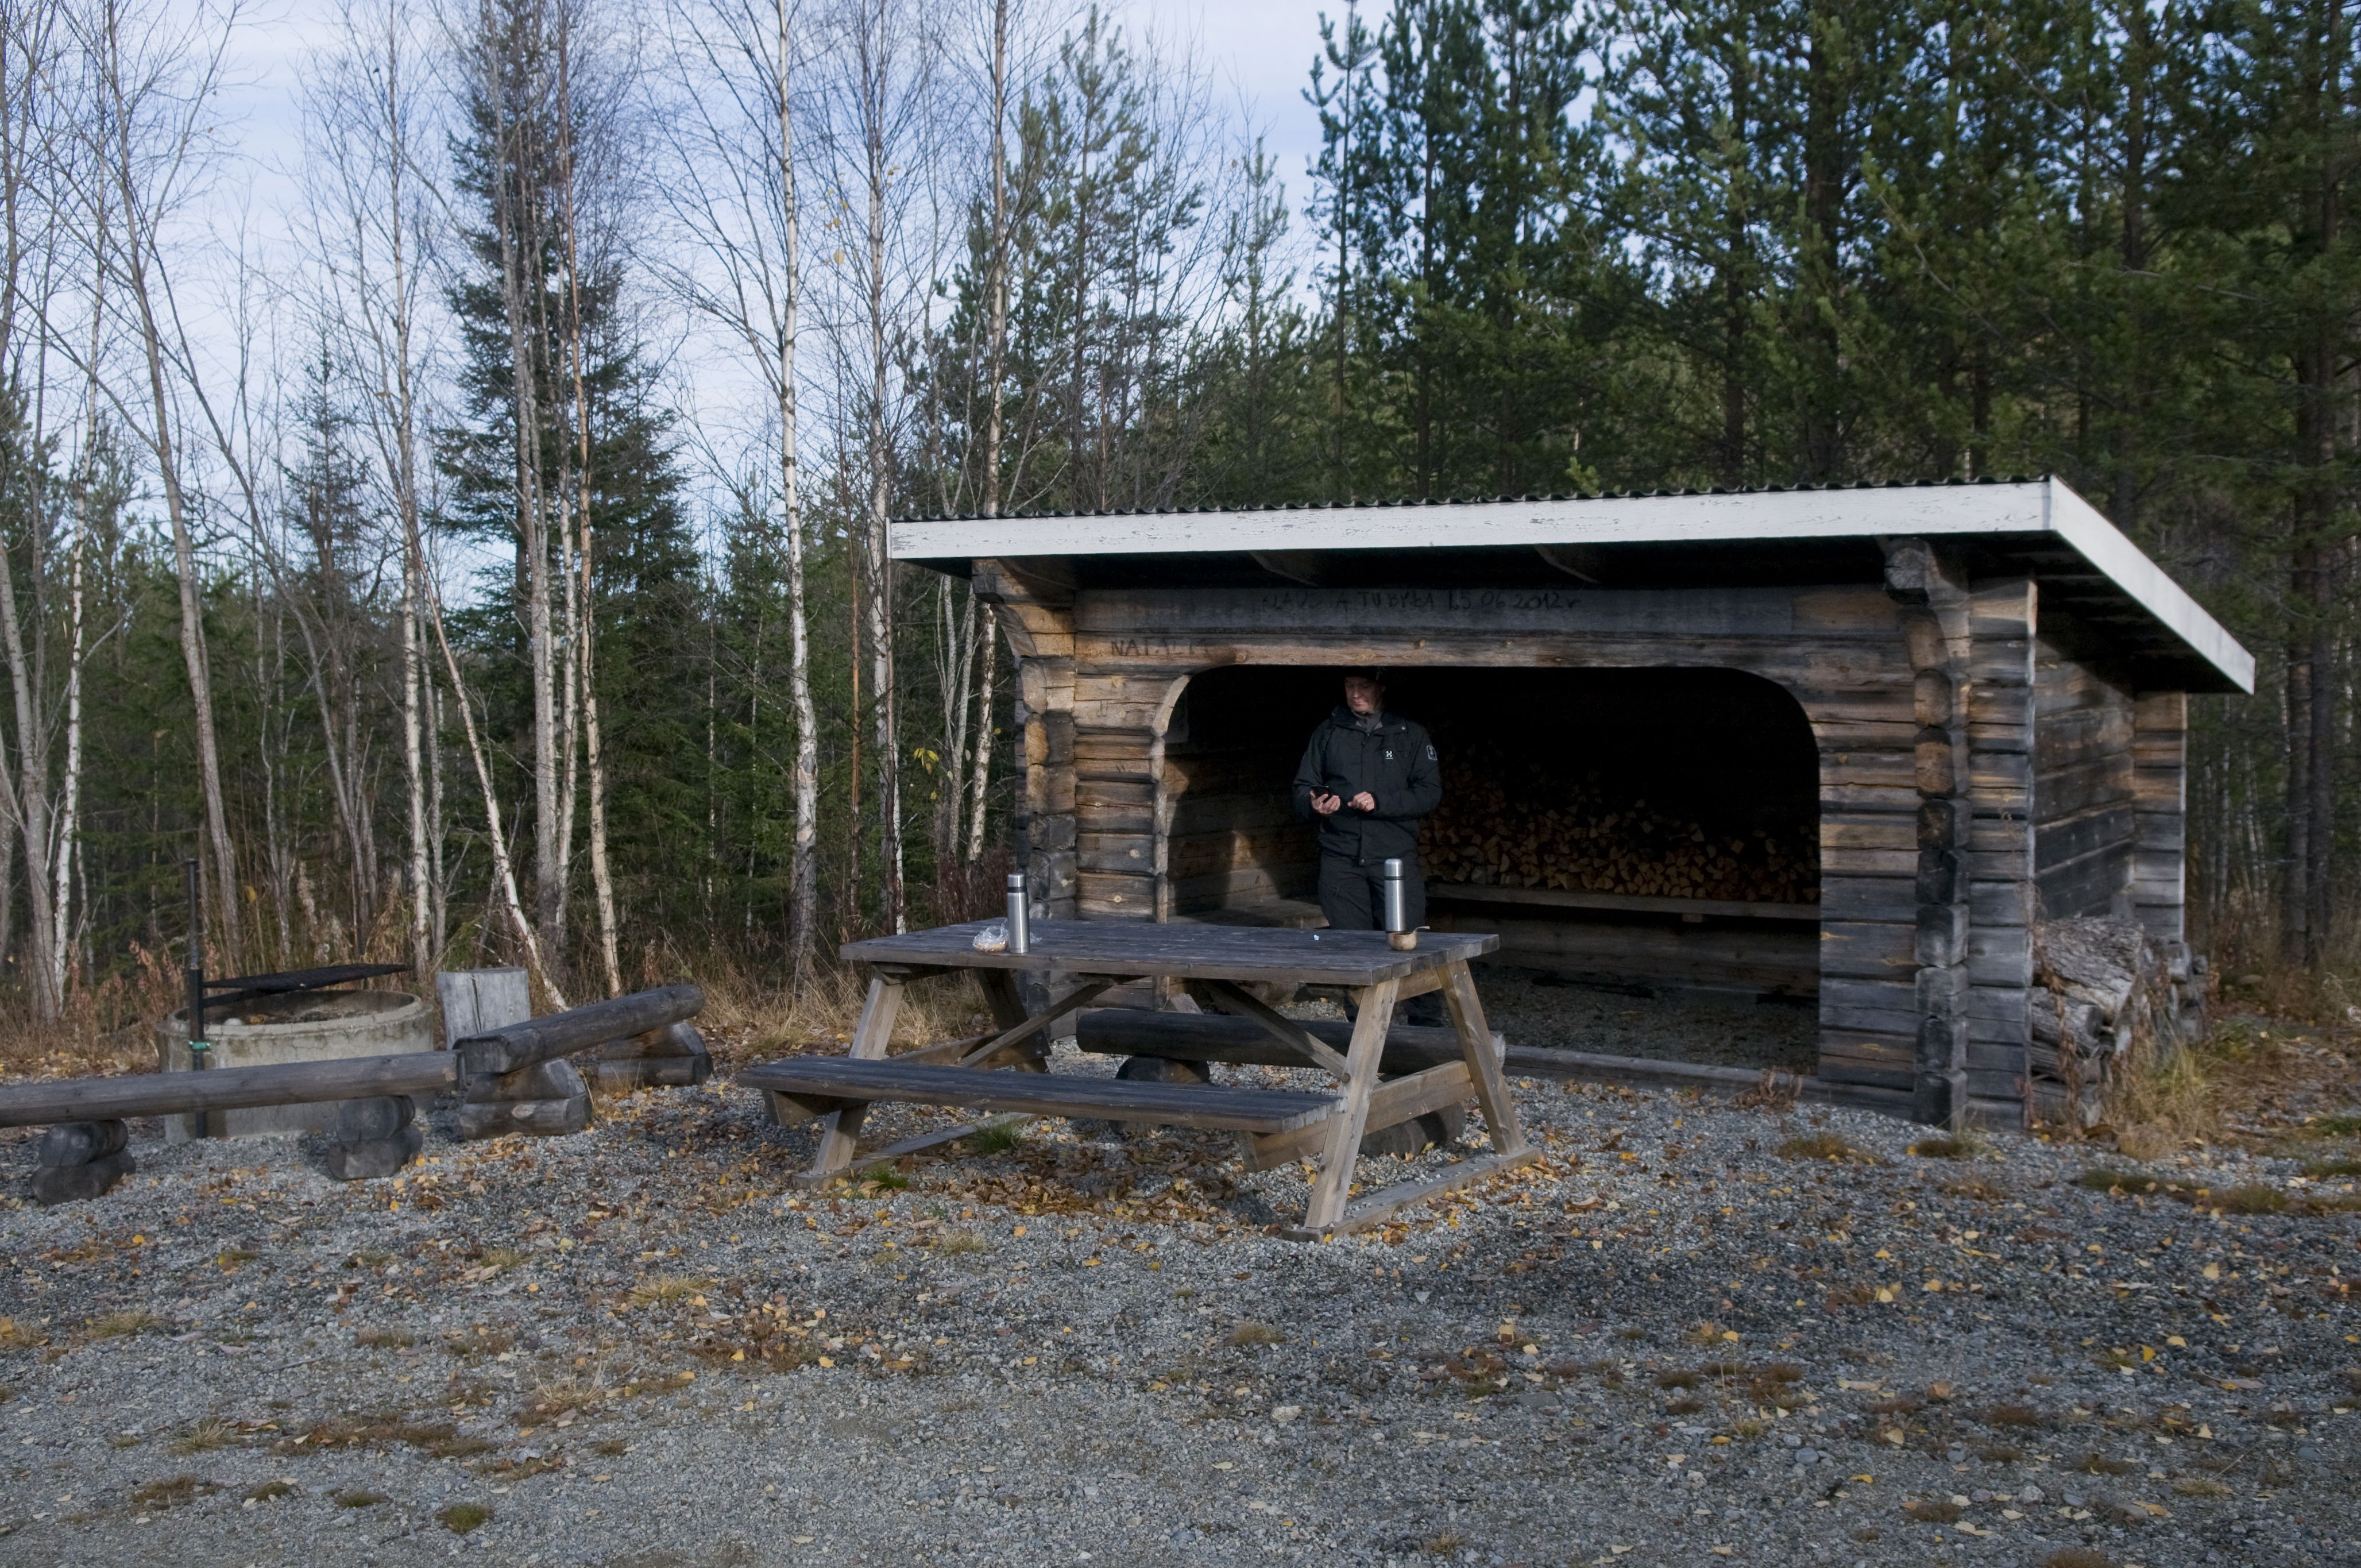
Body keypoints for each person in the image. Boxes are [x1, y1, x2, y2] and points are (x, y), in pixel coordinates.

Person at [1291, 670, 1448, 1025]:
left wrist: (1381, 801)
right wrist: (1315, 802)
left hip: (1394, 858)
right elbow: (1303, 786)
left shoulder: (1409, 734)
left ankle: (1426, 1035)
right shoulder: (1328, 732)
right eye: (1350, 687)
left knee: (1409, 944)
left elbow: (1429, 793)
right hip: (1341, 858)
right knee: (1352, 949)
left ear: (1381, 689)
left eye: (1363, 687)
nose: (1355, 694)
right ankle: (1365, 1036)